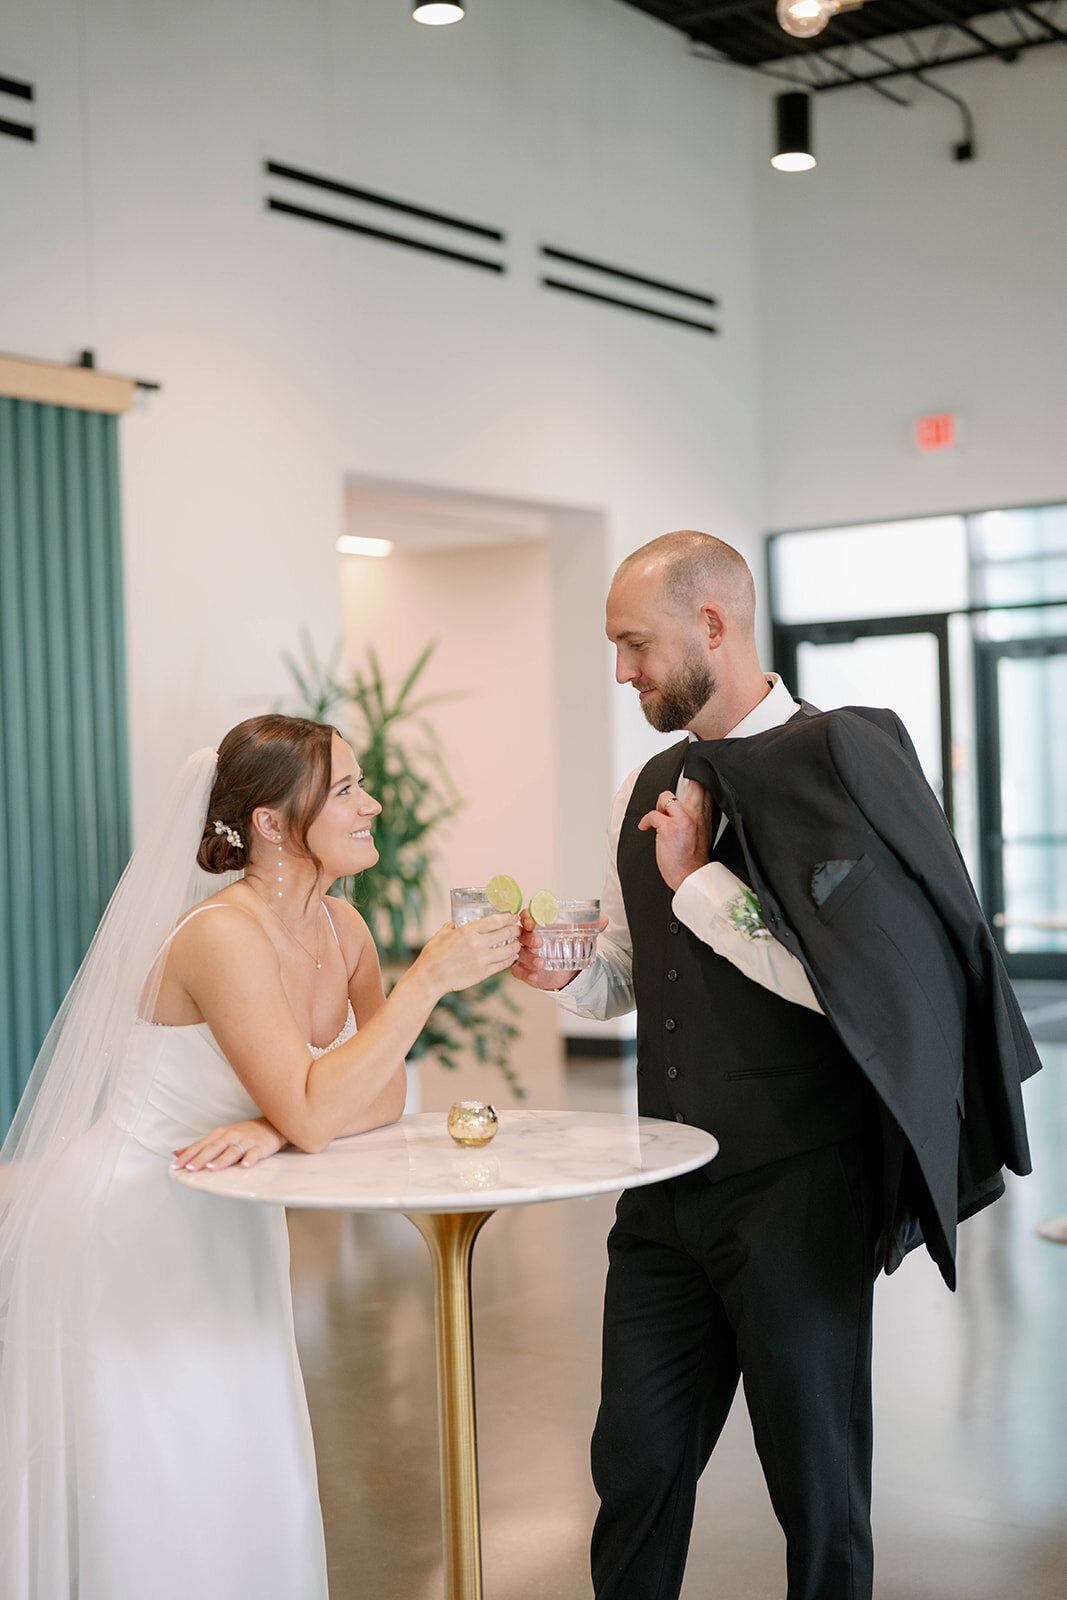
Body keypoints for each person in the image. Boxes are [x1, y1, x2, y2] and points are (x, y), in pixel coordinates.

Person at [512, 531, 1039, 1600]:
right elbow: (629, 974)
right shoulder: (643, 782)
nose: (621, 672)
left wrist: (698, 881)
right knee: (635, 1469)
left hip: (798, 1195)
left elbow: (860, 996)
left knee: (817, 1487)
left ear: (712, 625)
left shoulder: (839, 762)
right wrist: (564, 974)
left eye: (633, 644)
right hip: (661, 1194)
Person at [0, 713, 520, 1600]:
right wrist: (426, 978)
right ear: (273, 825)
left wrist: (281, 1124)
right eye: (348, 790)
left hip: (231, 1220)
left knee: (246, 1471)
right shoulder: (220, 935)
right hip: (134, 1230)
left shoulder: (344, 931)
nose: (374, 803)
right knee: (158, 1485)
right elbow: (331, 1107)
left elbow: (383, 1095)